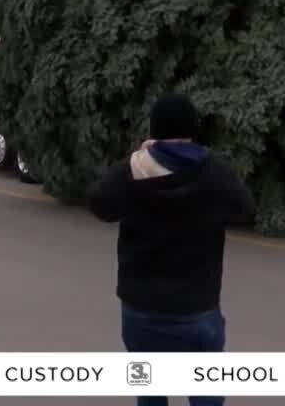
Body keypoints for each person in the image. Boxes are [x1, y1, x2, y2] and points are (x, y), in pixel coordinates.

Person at [87, 93, 256, 406]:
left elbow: (99, 203)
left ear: (153, 130)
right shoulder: (212, 169)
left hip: (140, 312)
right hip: (197, 310)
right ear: (192, 128)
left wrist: (134, 159)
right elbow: (245, 210)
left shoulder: (135, 169)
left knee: (150, 394)